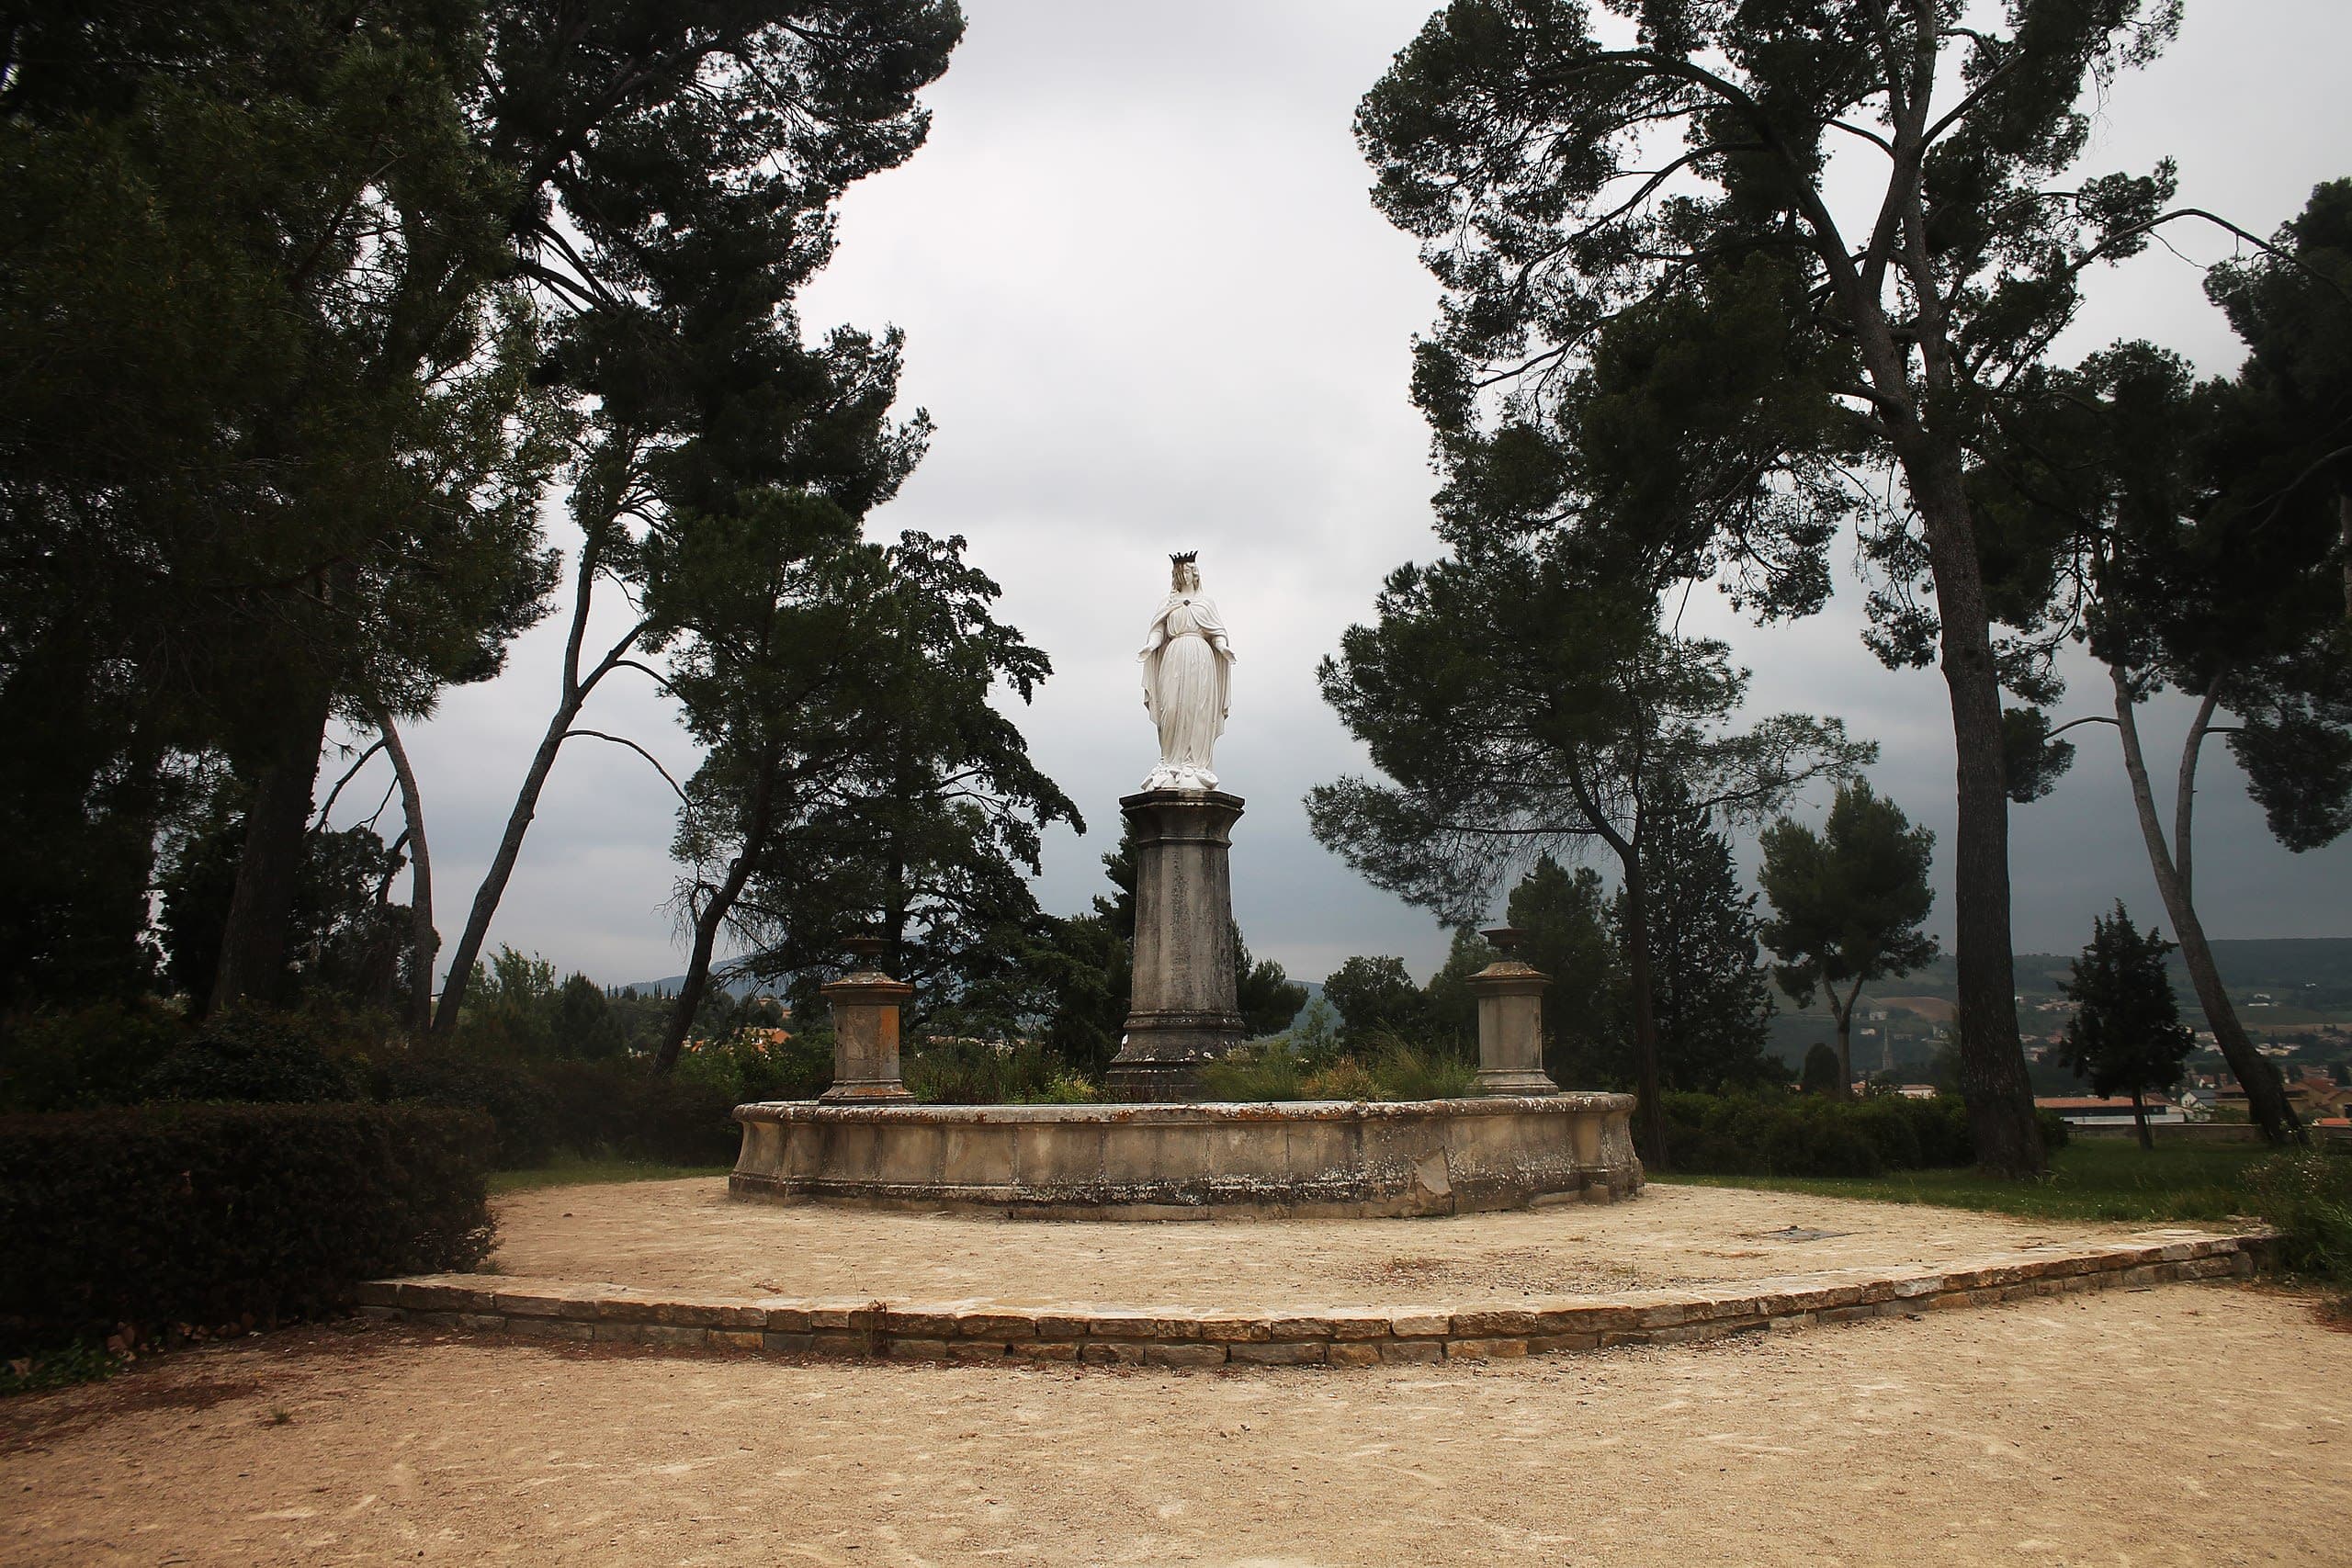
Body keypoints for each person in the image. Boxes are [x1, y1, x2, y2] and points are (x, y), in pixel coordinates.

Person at [1138, 551, 1236, 791]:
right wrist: (1151, 645)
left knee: (1197, 709)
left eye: (1187, 571)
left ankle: (1195, 763)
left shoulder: (1206, 603)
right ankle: (1171, 761)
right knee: (1171, 708)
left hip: (1201, 659)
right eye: (1178, 572)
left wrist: (1223, 647)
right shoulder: (1167, 603)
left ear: (1195, 574)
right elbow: (1158, 629)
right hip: (1174, 658)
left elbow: (1217, 631)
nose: (1183, 575)